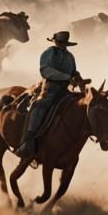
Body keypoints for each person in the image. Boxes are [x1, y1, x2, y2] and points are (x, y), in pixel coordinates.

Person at [17, 30, 84, 160]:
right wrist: (67, 76)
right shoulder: (49, 53)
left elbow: (74, 71)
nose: (62, 45)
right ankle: (28, 141)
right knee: (39, 106)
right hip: (50, 89)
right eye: (61, 43)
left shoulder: (70, 56)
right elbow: (45, 70)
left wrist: (78, 77)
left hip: (65, 90)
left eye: (64, 43)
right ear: (56, 42)